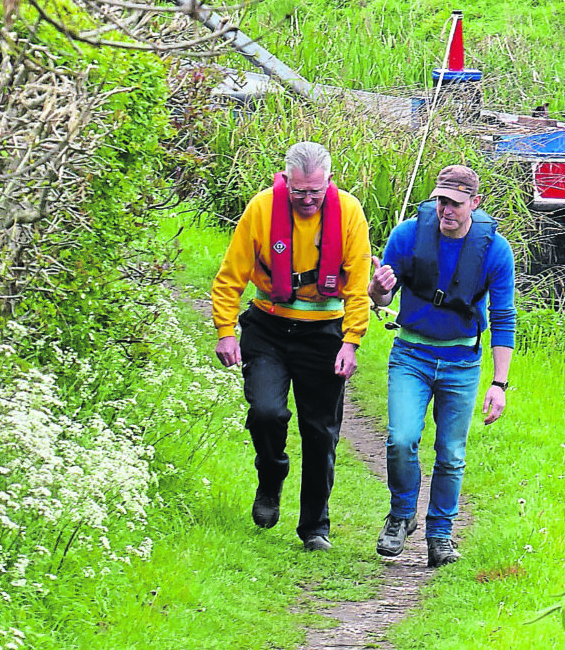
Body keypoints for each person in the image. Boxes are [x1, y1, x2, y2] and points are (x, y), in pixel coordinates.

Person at [211, 141, 371, 551]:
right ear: (284, 181)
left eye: (315, 192)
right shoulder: (262, 209)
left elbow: (356, 289)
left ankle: (315, 527)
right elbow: (230, 276)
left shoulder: (349, 212)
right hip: (269, 327)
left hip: (324, 333)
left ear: (329, 183)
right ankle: (271, 475)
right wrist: (225, 331)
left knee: (320, 433)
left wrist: (350, 341)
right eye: (299, 191)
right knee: (267, 413)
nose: (306, 199)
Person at [368, 165, 516, 568]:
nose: (445, 210)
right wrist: (378, 290)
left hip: (461, 362)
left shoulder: (495, 250)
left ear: (475, 203)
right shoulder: (408, 235)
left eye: (454, 202)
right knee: (401, 439)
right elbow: (380, 300)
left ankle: (440, 535)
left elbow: (504, 318)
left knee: (450, 453)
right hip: (411, 355)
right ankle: (401, 515)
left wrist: (499, 383)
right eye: (440, 201)